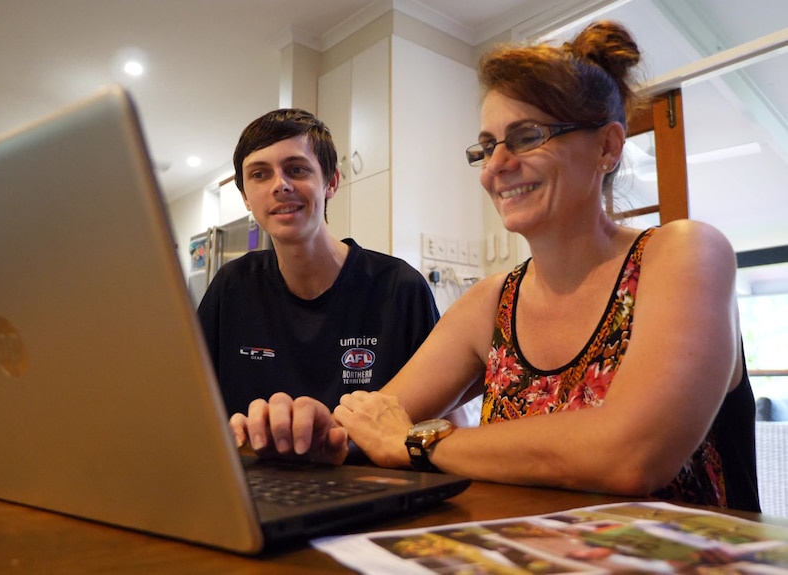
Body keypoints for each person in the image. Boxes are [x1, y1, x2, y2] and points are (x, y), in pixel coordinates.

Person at [230, 21, 761, 511]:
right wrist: (303, 431)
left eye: (528, 136)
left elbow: (630, 455)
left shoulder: (685, 254)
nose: (498, 166)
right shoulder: (492, 302)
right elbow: (372, 422)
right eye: (487, 146)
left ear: (607, 145)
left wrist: (420, 443)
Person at [196, 108, 441, 425]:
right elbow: (191, 403)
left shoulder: (399, 287)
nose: (280, 185)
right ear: (245, 196)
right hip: (254, 472)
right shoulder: (233, 286)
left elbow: (443, 415)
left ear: (332, 182)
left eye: (296, 169)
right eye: (259, 174)